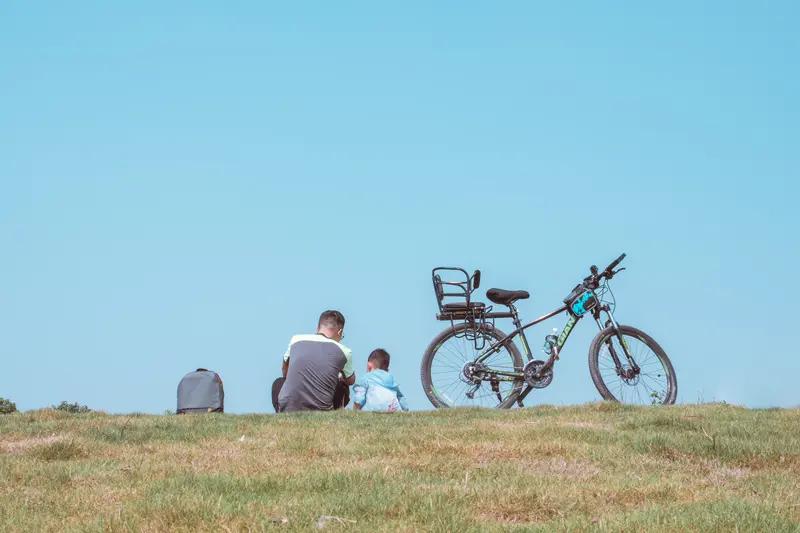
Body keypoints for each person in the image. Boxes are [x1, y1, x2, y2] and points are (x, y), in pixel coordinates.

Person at [273, 310, 355, 412]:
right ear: (340, 332)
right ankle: (334, 412)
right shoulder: (344, 350)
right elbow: (351, 380)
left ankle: (281, 412)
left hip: (290, 406)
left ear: (318, 327)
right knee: (343, 385)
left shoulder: (296, 340)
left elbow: (285, 371)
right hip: (322, 409)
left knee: (278, 382)